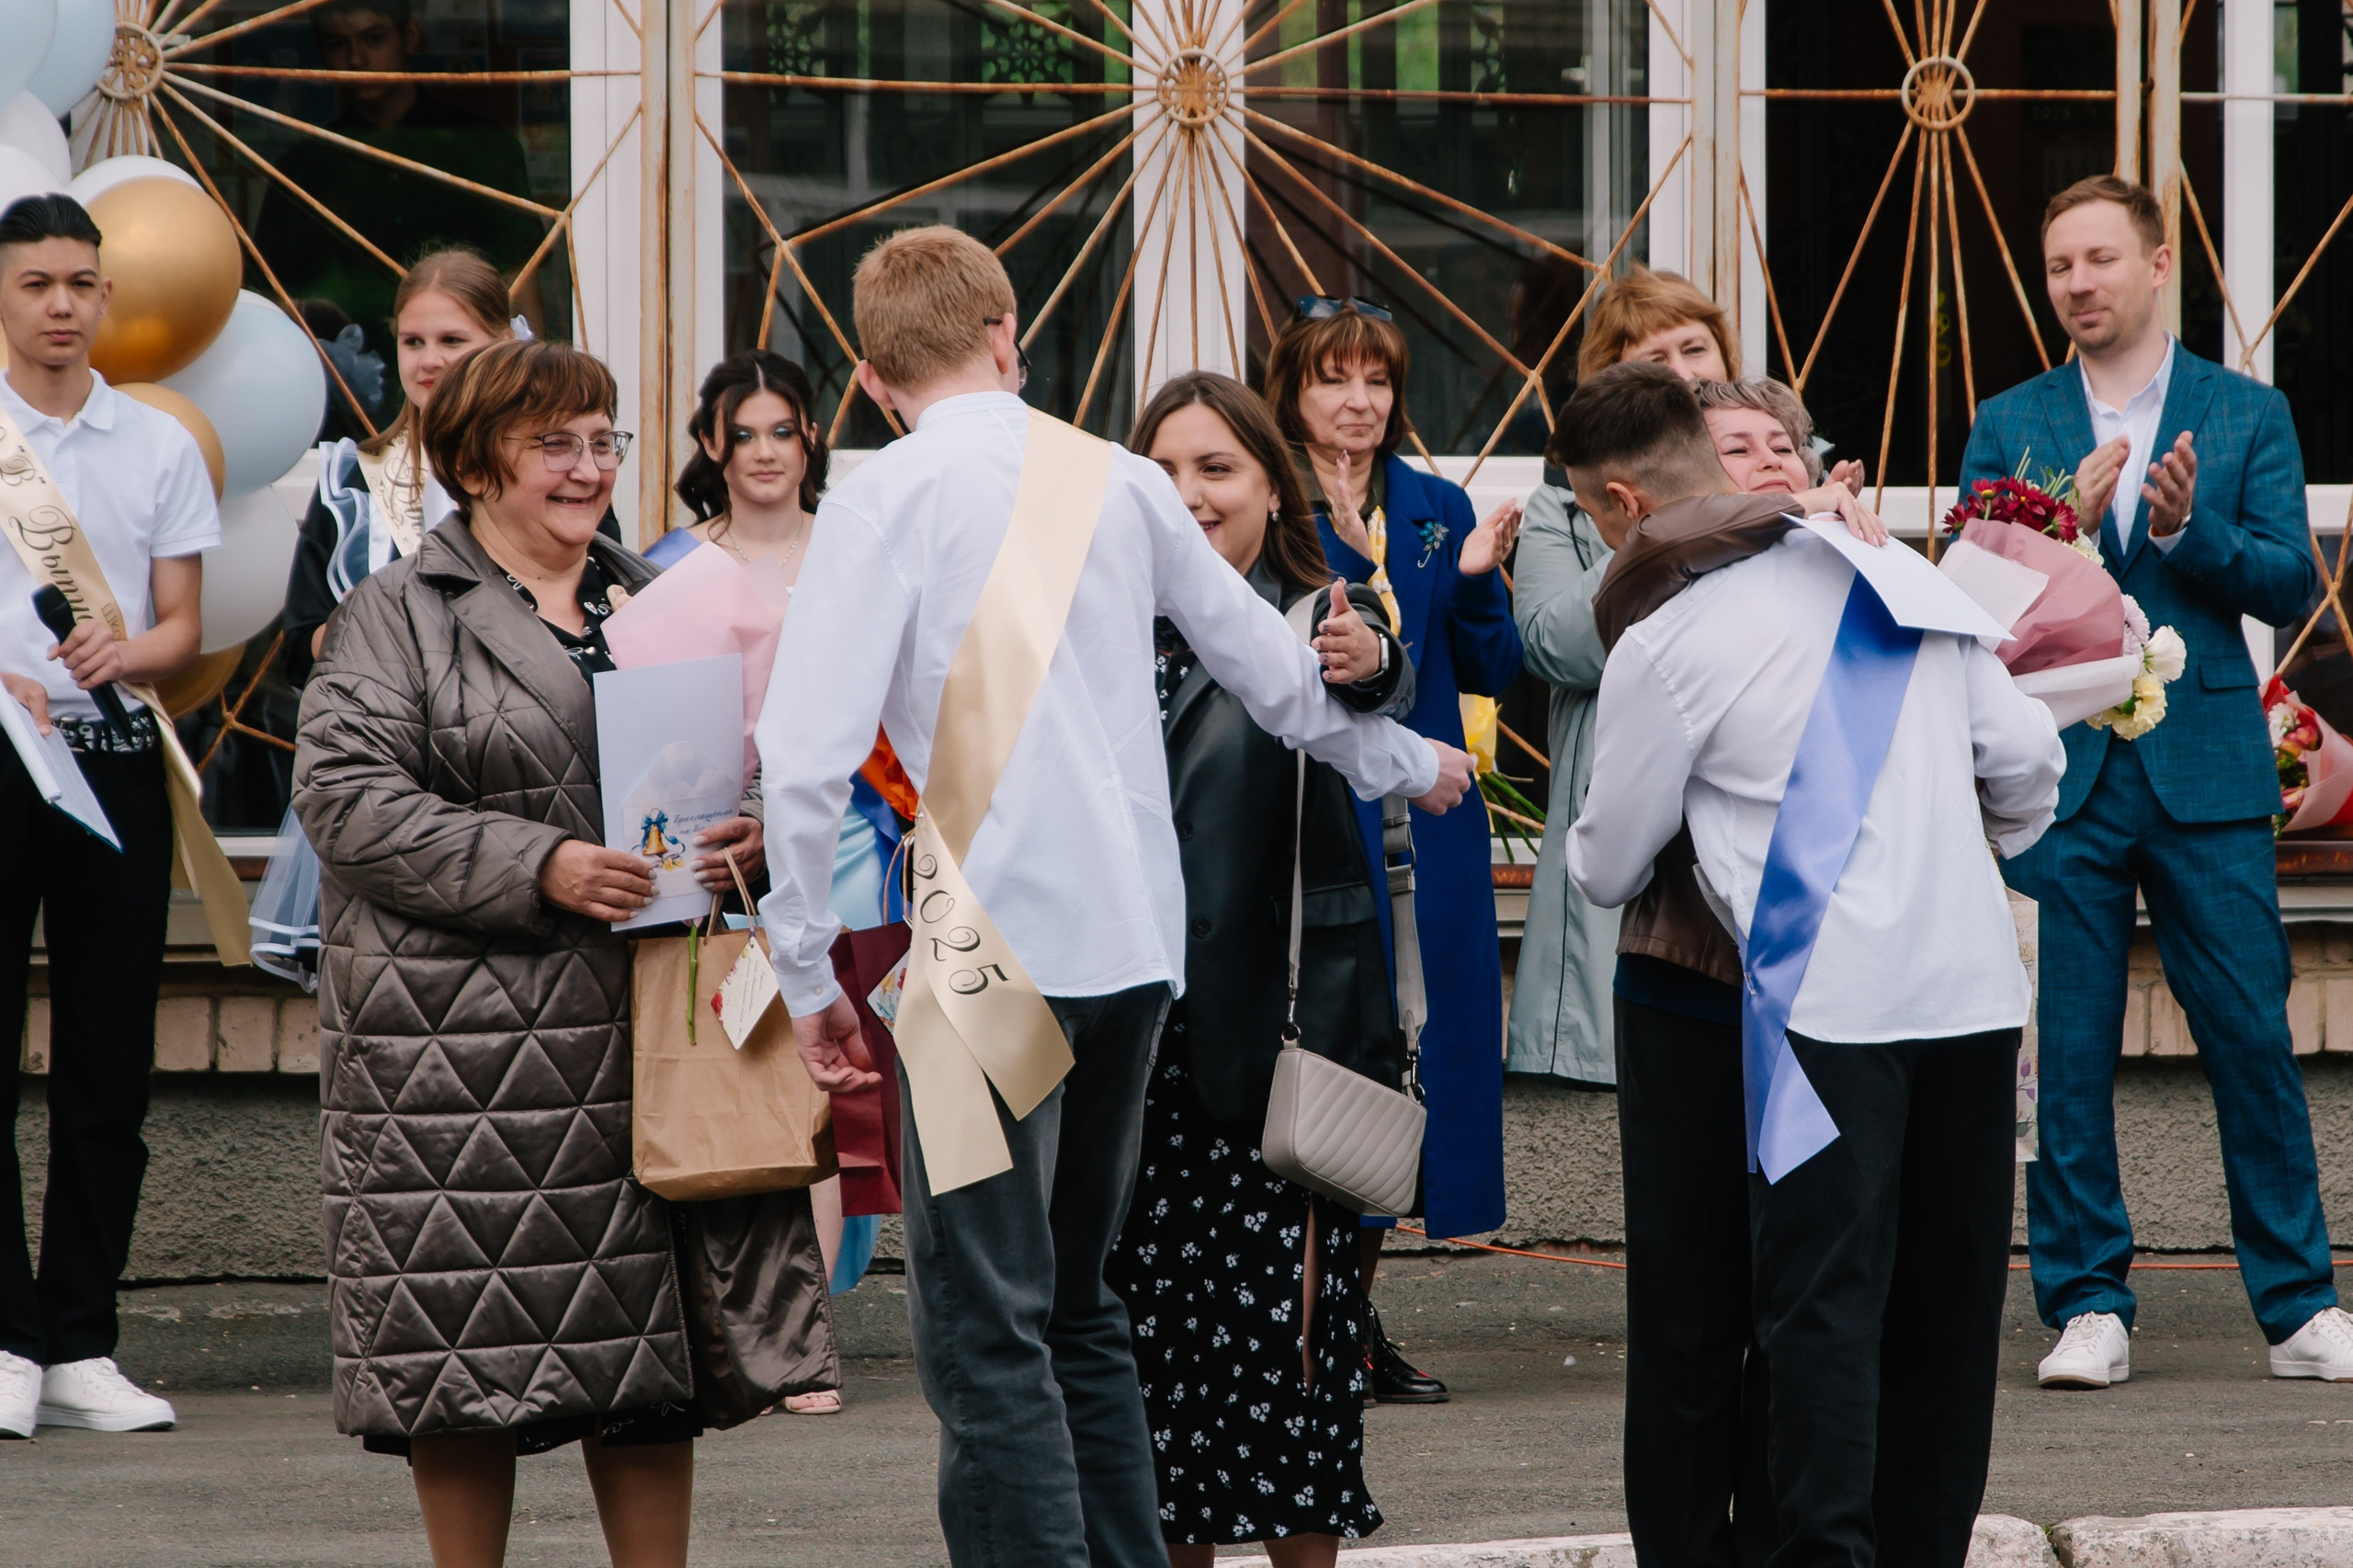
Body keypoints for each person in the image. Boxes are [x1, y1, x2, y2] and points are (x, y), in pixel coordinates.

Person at [756, 226, 1470, 1568]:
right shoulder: (1121, 481)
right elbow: (1279, 674)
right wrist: (1410, 760)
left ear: (870, 377)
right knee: (1080, 1304)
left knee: (986, 1325)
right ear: (1007, 336)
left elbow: (802, 761)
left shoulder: (881, 495)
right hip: (1132, 956)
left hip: (977, 959)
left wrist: (805, 976)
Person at [296, 339, 796, 1568]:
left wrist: (758, 828)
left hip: (648, 1043)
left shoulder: (668, 599)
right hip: (461, 1063)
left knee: (652, 1372)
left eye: (602, 440)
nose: (588, 467)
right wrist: (542, 863)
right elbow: (347, 799)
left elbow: (768, 758)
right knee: (465, 1370)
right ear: (477, 464)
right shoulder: (398, 613)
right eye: (553, 444)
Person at [1565, 361, 2066, 1568]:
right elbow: (2029, 767)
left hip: (1822, 1022)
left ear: (1628, 503)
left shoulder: (1669, 639)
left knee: (1821, 1317)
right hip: (1972, 1002)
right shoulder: (1900, 577)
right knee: (1946, 1324)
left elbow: (1605, 864)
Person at [1961, 174, 2353, 1386]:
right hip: (2056, 771)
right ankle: (2086, 1301)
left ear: (2157, 262)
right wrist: (2056, 520)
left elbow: (2290, 581)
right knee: (2060, 1054)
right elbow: (1972, 593)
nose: (2076, 283)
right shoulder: (2009, 418)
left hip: (2207, 771)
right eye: (2057, 266)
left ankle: (2299, 1304)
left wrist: (2189, 534)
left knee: (2250, 1035)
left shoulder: (2246, 412)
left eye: (2097, 259)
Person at [1521, 366, 1882, 1568]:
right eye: (1737, 450)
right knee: (1688, 1308)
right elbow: (1608, 851)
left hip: (1834, 995)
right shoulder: (1663, 594)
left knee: (1805, 1305)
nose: (1768, 463)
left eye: (1783, 446)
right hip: (1689, 979)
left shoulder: (1849, 579)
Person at [1106, 371, 1412, 1567]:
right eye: (1163, 471)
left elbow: (1377, 676)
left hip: (1272, 1055)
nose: (1189, 494)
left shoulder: (1310, 618)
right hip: (1126, 1055)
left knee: (1285, 1369)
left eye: (1217, 467)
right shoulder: (1099, 631)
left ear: (1273, 486)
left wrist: (1365, 655)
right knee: (1152, 1376)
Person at [1266, 297, 1520, 1404]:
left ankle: (1350, 1321)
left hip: (1434, 826)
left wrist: (1470, 578)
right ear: (1291, 390)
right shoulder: (1266, 500)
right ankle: (1305, 1323)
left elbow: (1493, 671)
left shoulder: (1433, 506)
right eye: (1334, 378)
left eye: (1375, 379)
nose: (1358, 400)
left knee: (1415, 1060)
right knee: (1326, 1054)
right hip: (1314, 819)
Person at [0, 193, 220, 1440]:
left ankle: (81, 1337)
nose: (63, 305)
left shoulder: (158, 444)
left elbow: (183, 625)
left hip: (116, 762)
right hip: (0, 754)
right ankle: (5, 1335)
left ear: (107, 296)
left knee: (107, 1062)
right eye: (37, 283)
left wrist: (126, 653)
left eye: (81, 283)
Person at [659, 347, 888, 1400]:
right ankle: (734, 1324)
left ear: (812, 439)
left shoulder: (853, 550)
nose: (763, 451)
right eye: (743, 431)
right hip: (715, 870)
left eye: (782, 430)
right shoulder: (665, 565)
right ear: (712, 443)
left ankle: (808, 1335)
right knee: (745, 1077)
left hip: (849, 851)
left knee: (832, 1094)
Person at [254, 0, 544, 353]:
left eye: (373, 38)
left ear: (409, 36)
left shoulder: (483, 148)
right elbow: (269, 298)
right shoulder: (303, 168)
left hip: (468, 370)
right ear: (320, 50)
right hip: (340, 371)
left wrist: (531, 377)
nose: (356, 59)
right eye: (337, 43)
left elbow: (520, 278)